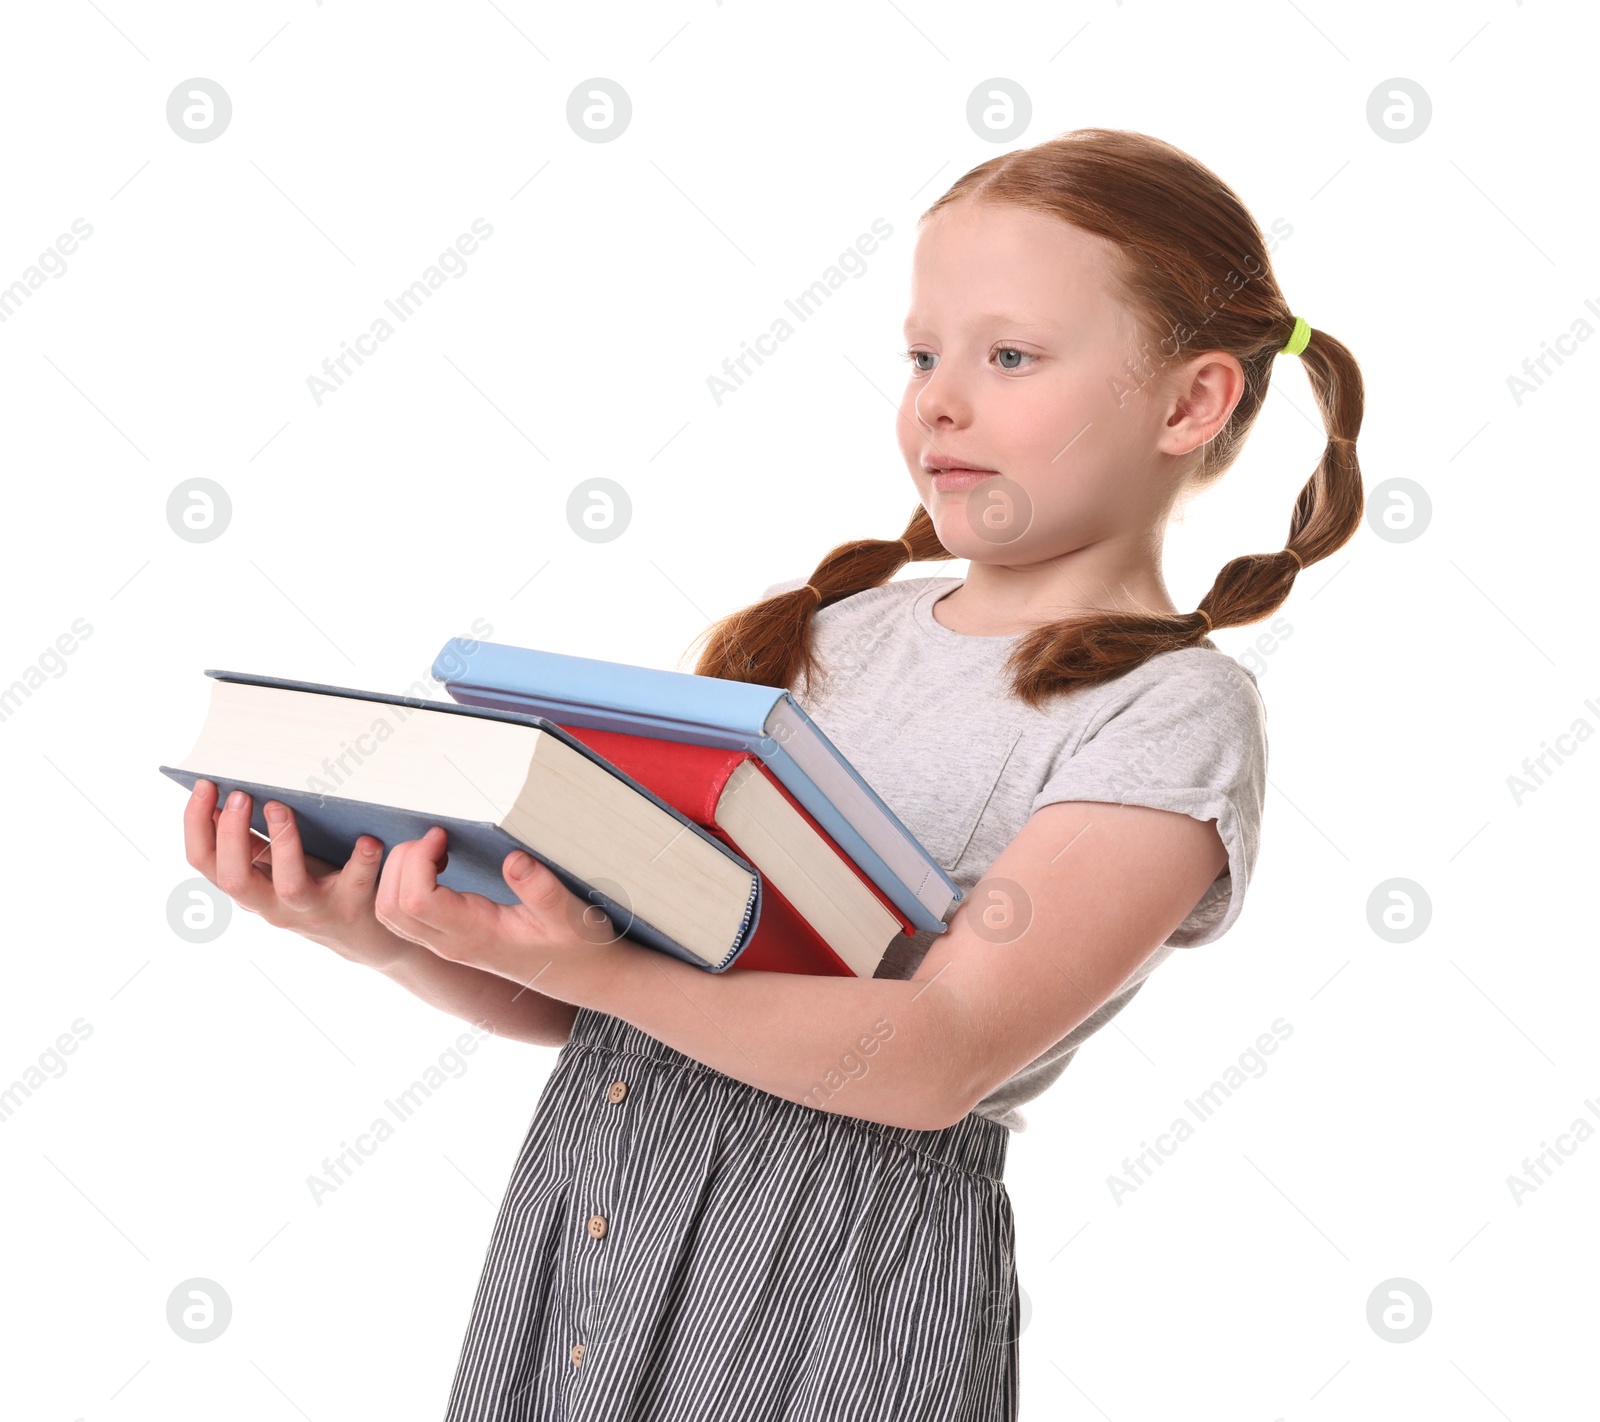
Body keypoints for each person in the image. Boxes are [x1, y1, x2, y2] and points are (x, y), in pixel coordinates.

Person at [180, 127, 1363, 1420]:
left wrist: (594, 969)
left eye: (1009, 356)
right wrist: (395, 932)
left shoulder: (1169, 713)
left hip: (829, 1272)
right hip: (596, 1198)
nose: (939, 401)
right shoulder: (828, 636)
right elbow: (615, 994)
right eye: (922, 355)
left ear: (1191, 403)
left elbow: (938, 1052)